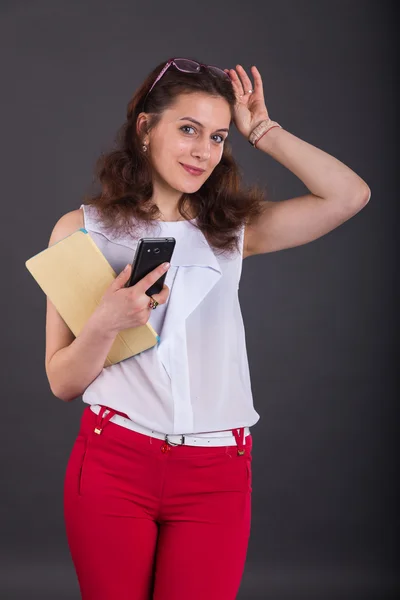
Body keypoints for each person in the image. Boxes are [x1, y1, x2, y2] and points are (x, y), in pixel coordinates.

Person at [45, 57, 371, 600]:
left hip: (216, 474)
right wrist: (106, 322)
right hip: (114, 464)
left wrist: (264, 132)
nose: (204, 151)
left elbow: (349, 196)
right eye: (188, 129)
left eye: (218, 136)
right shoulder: (82, 231)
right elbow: (63, 381)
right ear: (146, 128)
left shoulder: (231, 231)